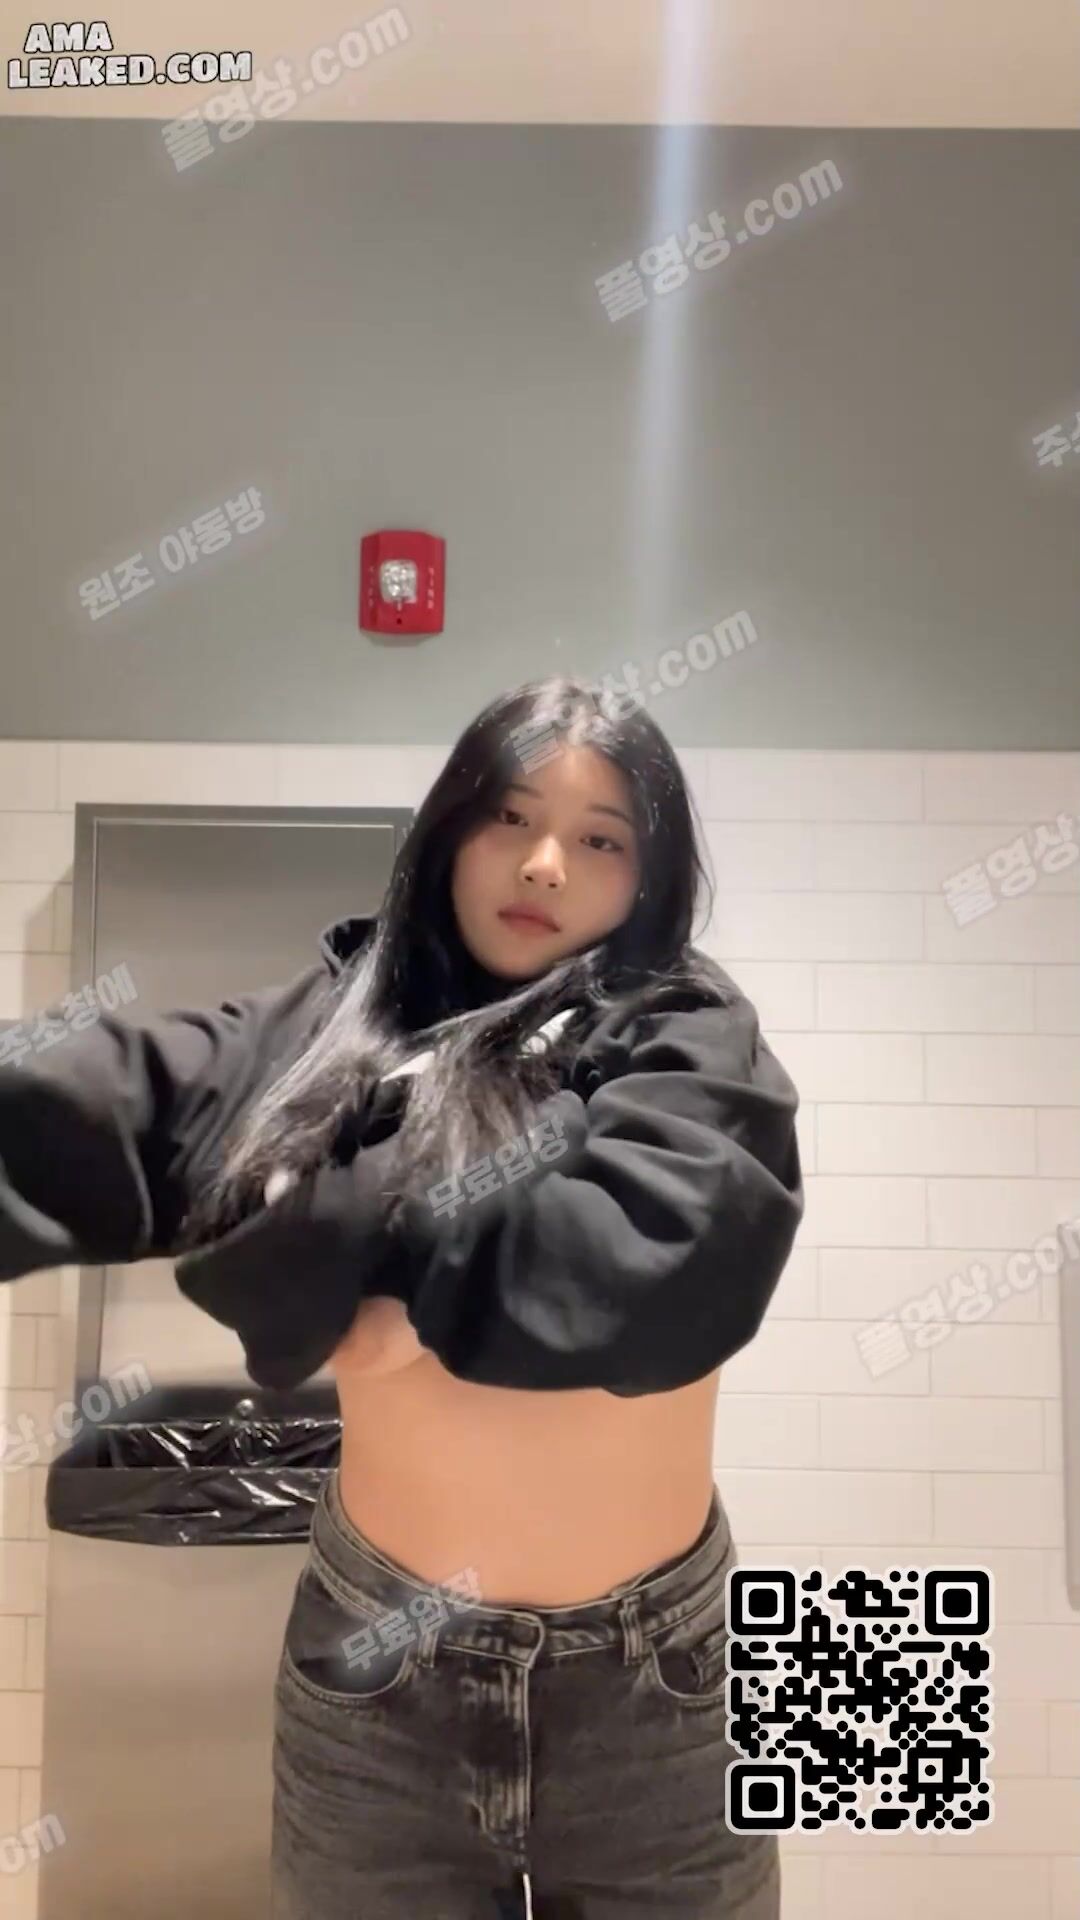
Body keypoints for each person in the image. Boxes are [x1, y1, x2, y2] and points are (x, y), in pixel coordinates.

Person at [0, 676, 805, 1917]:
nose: (543, 864)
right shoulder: (338, 1023)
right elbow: (122, 1105)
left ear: (650, 877)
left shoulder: (687, 1031)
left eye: (600, 840)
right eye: (510, 818)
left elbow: (662, 1268)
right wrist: (364, 1230)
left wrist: (357, 1239)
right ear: (450, 828)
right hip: (377, 1667)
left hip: (659, 1679)